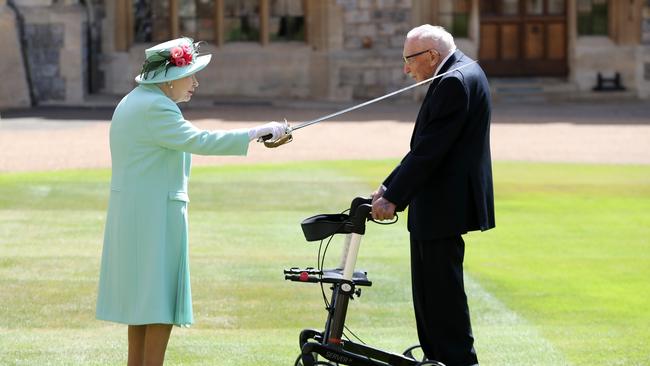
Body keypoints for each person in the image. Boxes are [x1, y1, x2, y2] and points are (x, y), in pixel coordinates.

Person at [95, 37, 288, 366]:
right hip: (154, 217)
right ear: (168, 79)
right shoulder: (155, 106)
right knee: (159, 303)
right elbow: (201, 140)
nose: (196, 82)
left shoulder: (134, 100)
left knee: (144, 304)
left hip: (139, 215)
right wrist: (261, 131)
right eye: (191, 74)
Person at [370, 25, 495, 366]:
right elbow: (425, 147)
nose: (406, 69)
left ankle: (456, 360)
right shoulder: (462, 70)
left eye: (409, 60)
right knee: (430, 291)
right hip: (439, 201)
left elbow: (430, 150)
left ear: (431, 57)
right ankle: (436, 356)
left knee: (441, 292)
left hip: (444, 203)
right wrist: (388, 185)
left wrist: (394, 198)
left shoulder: (454, 81)